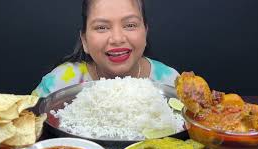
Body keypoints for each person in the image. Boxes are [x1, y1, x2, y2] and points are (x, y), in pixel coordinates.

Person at [32, 0, 179, 97]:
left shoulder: (173, 83)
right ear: (84, 40)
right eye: (101, 27)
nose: (117, 39)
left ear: (145, 32)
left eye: (130, 25)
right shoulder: (57, 83)